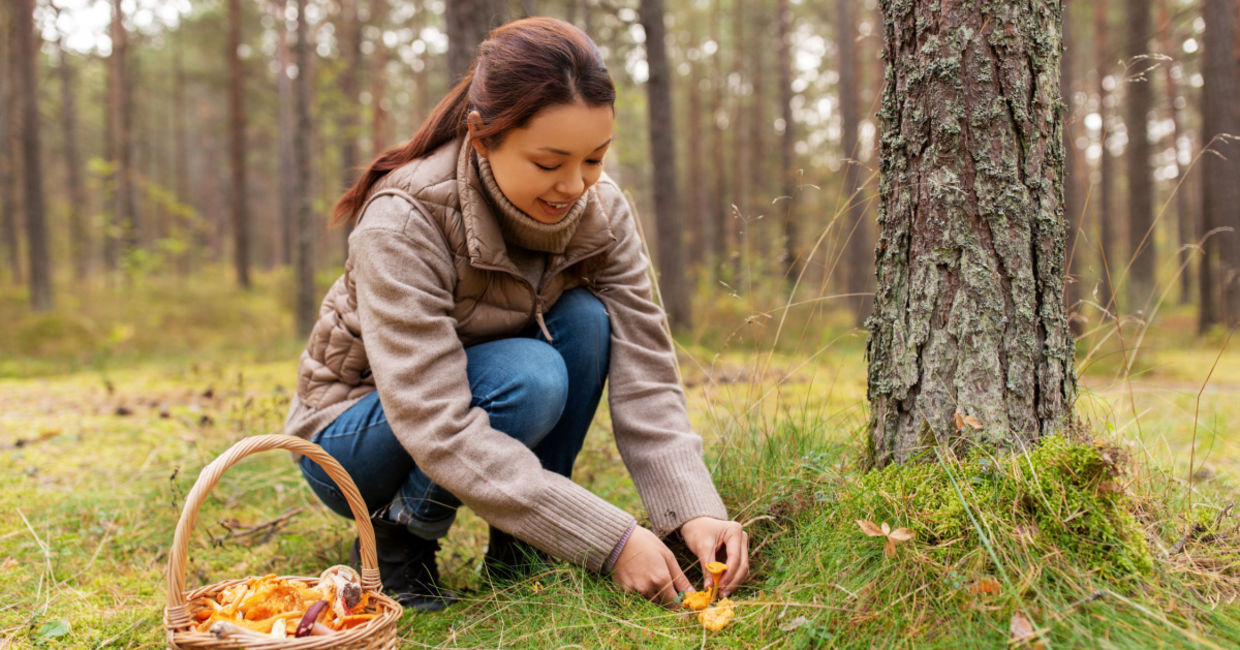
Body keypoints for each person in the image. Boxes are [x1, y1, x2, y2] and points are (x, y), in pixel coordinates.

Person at [284, 16, 749, 611]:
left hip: (479, 393)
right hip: (351, 438)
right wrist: (610, 541)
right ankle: (399, 544)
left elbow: (648, 373)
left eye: (594, 159)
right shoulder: (403, 219)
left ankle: (522, 552)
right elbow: (437, 422)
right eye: (549, 163)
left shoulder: (600, 209)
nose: (574, 185)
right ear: (482, 136)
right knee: (531, 375)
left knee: (586, 321)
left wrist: (694, 509)